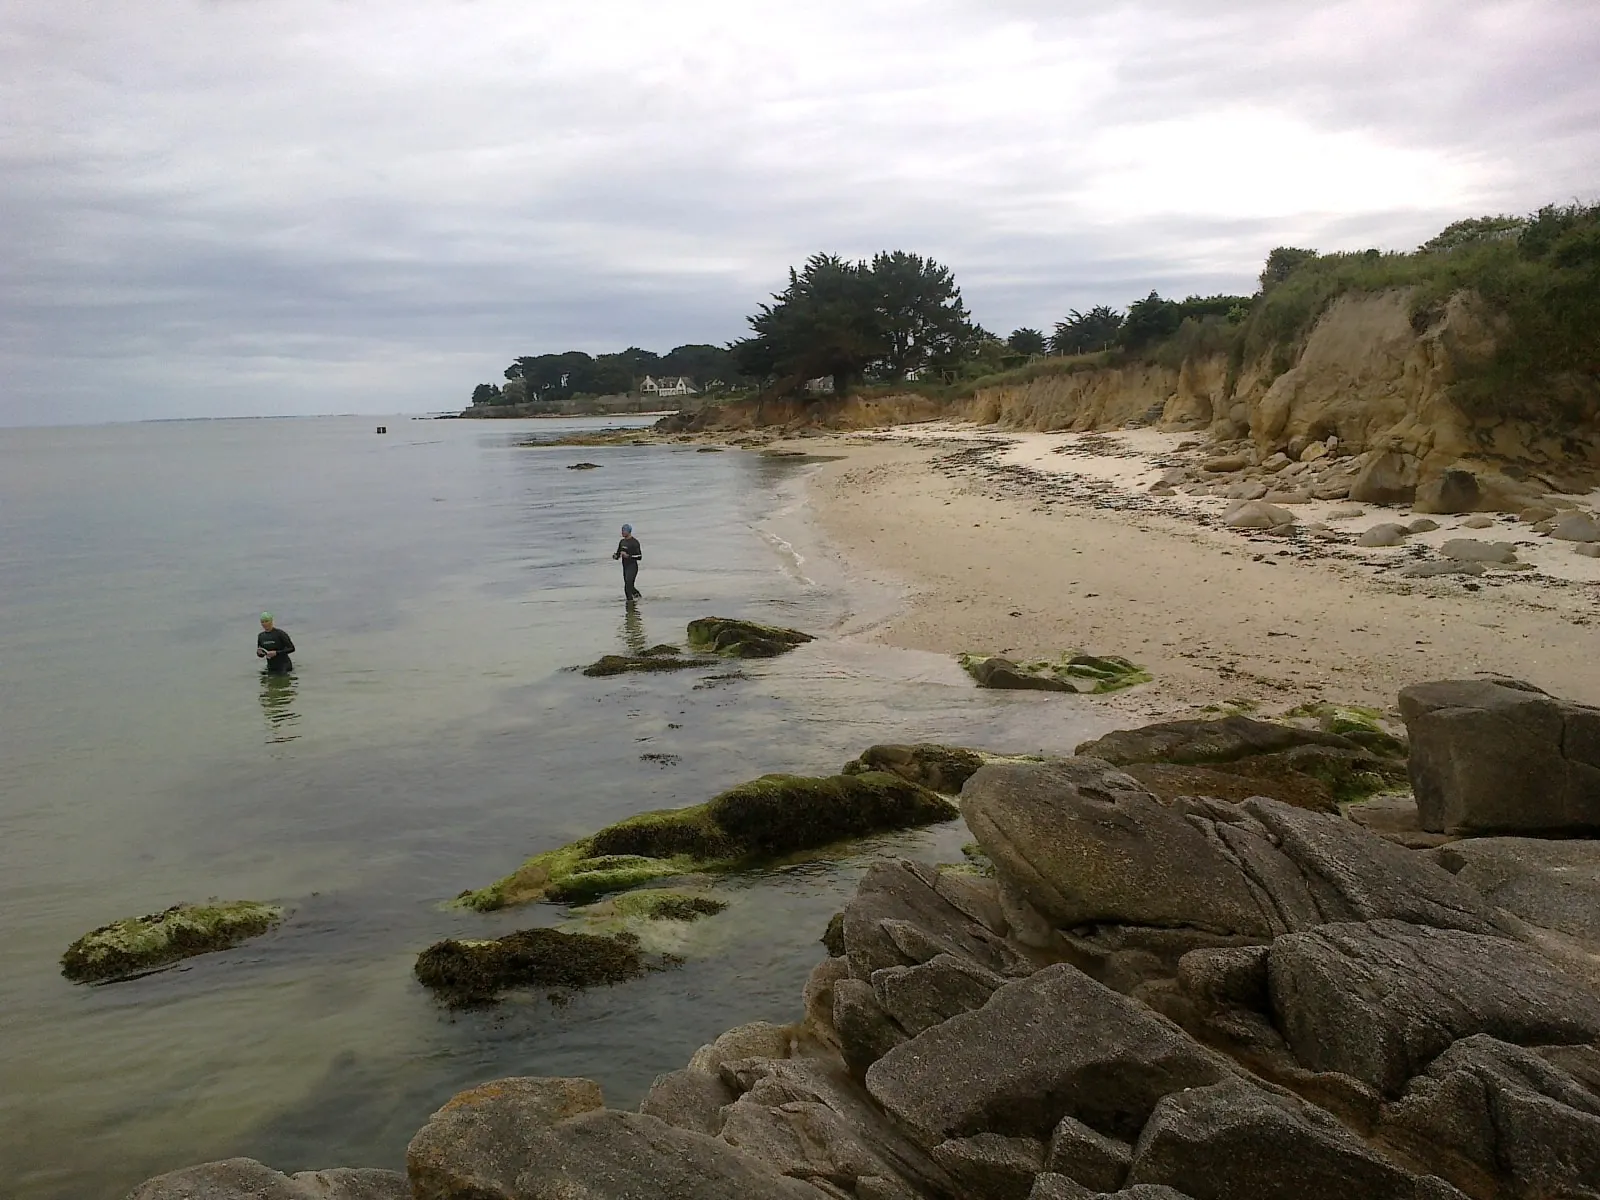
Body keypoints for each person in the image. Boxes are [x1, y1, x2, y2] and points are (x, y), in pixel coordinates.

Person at [612, 523, 643, 600]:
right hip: (625, 567)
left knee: (628, 586)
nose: (622, 532)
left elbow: (639, 557)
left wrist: (628, 556)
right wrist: (615, 556)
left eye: (623, 531)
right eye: (622, 530)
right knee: (629, 586)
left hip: (632, 567)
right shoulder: (622, 542)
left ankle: (630, 605)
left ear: (628, 531)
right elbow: (618, 554)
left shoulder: (634, 542)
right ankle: (637, 599)